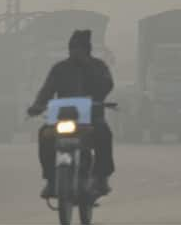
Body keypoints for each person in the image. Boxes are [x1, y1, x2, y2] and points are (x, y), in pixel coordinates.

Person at [26, 30, 115, 198]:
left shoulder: (98, 67)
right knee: (45, 135)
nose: (75, 52)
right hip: (62, 118)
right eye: (73, 48)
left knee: (104, 134)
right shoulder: (59, 69)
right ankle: (51, 180)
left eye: (79, 48)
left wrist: (90, 70)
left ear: (87, 50)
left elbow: (107, 85)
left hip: (91, 118)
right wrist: (37, 105)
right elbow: (47, 90)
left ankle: (101, 177)